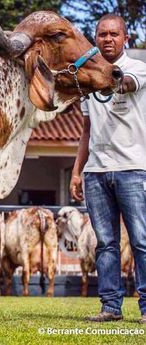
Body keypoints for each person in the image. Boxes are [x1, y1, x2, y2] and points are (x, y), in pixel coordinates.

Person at [70, 14, 146, 323]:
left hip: (133, 168)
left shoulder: (138, 68)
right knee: (105, 243)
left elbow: (125, 84)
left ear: (125, 38)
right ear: (96, 38)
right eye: (102, 34)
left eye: (114, 34)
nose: (108, 39)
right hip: (96, 171)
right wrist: (77, 171)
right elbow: (86, 129)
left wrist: (105, 77)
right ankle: (111, 307)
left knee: (142, 240)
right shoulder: (88, 81)